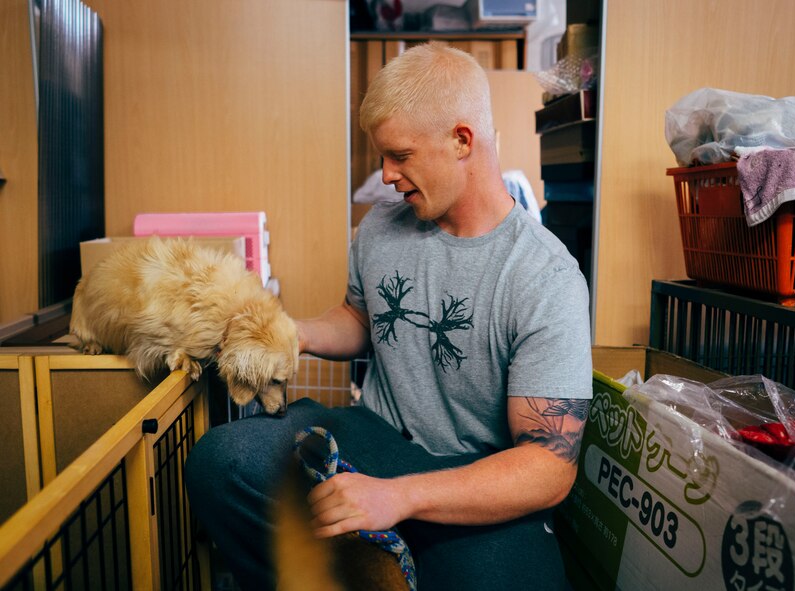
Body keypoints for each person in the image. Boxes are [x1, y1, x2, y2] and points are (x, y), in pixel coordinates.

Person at [185, 42, 593, 591]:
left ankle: (386, 553)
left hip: (469, 474)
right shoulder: (380, 229)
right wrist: (293, 334)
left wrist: (396, 497)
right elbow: (361, 318)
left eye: (400, 155)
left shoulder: (545, 278)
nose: (386, 174)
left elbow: (547, 467)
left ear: (462, 141)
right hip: (369, 435)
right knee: (219, 463)